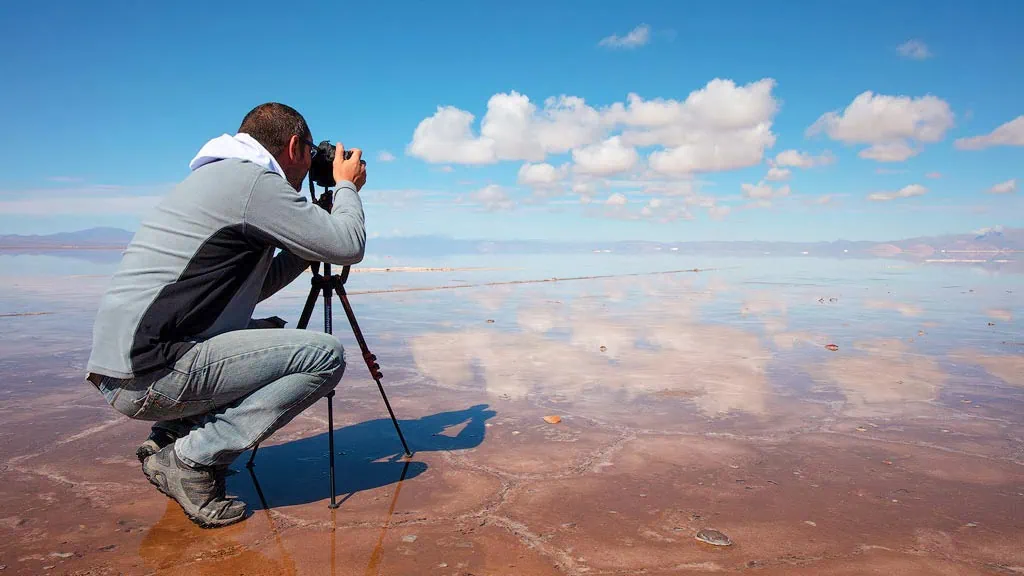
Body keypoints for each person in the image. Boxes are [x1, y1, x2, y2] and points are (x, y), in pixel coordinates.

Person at [83, 102, 368, 528]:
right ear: (294, 146)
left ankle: (170, 436)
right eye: (311, 153)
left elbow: (255, 288)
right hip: (147, 375)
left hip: (126, 366)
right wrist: (346, 188)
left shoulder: (222, 177)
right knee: (322, 356)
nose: (313, 164)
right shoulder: (254, 183)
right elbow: (348, 245)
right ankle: (190, 459)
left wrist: (310, 240)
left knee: (268, 334)